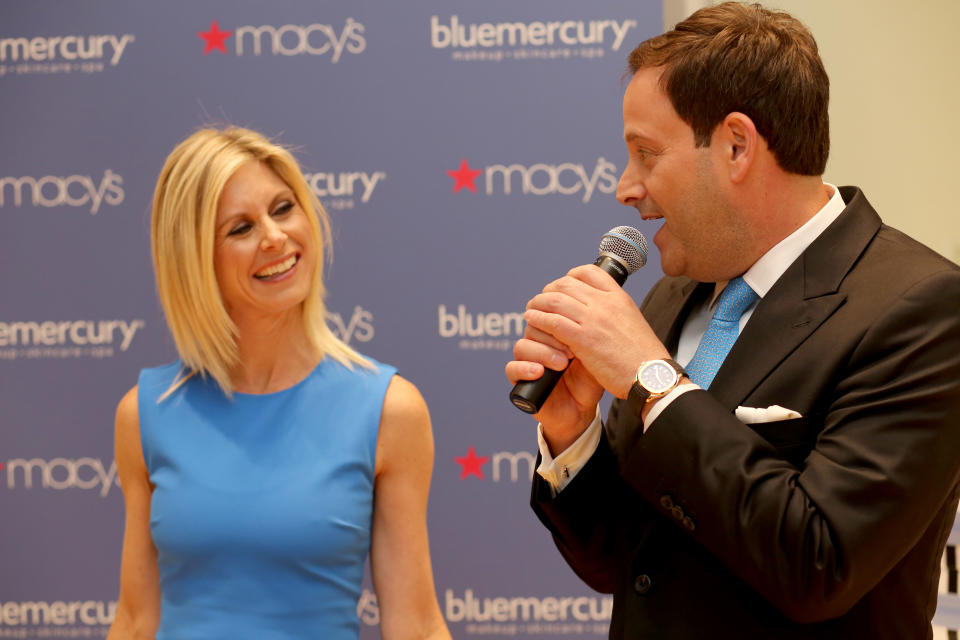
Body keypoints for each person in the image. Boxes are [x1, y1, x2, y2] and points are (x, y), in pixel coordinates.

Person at [505, 3, 960, 638]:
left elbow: (818, 564)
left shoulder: (922, 307)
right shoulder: (673, 294)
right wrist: (574, 433)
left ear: (737, 146)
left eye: (645, 153)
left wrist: (655, 380)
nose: (625, 187)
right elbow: (629, 564)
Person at [107, 126, 451, 639]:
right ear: (195, 257)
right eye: (240, 228)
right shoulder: (146, 412)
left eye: (283, 208)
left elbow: (416, 625)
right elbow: (136, 621)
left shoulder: (388, 410)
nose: (274, 236)